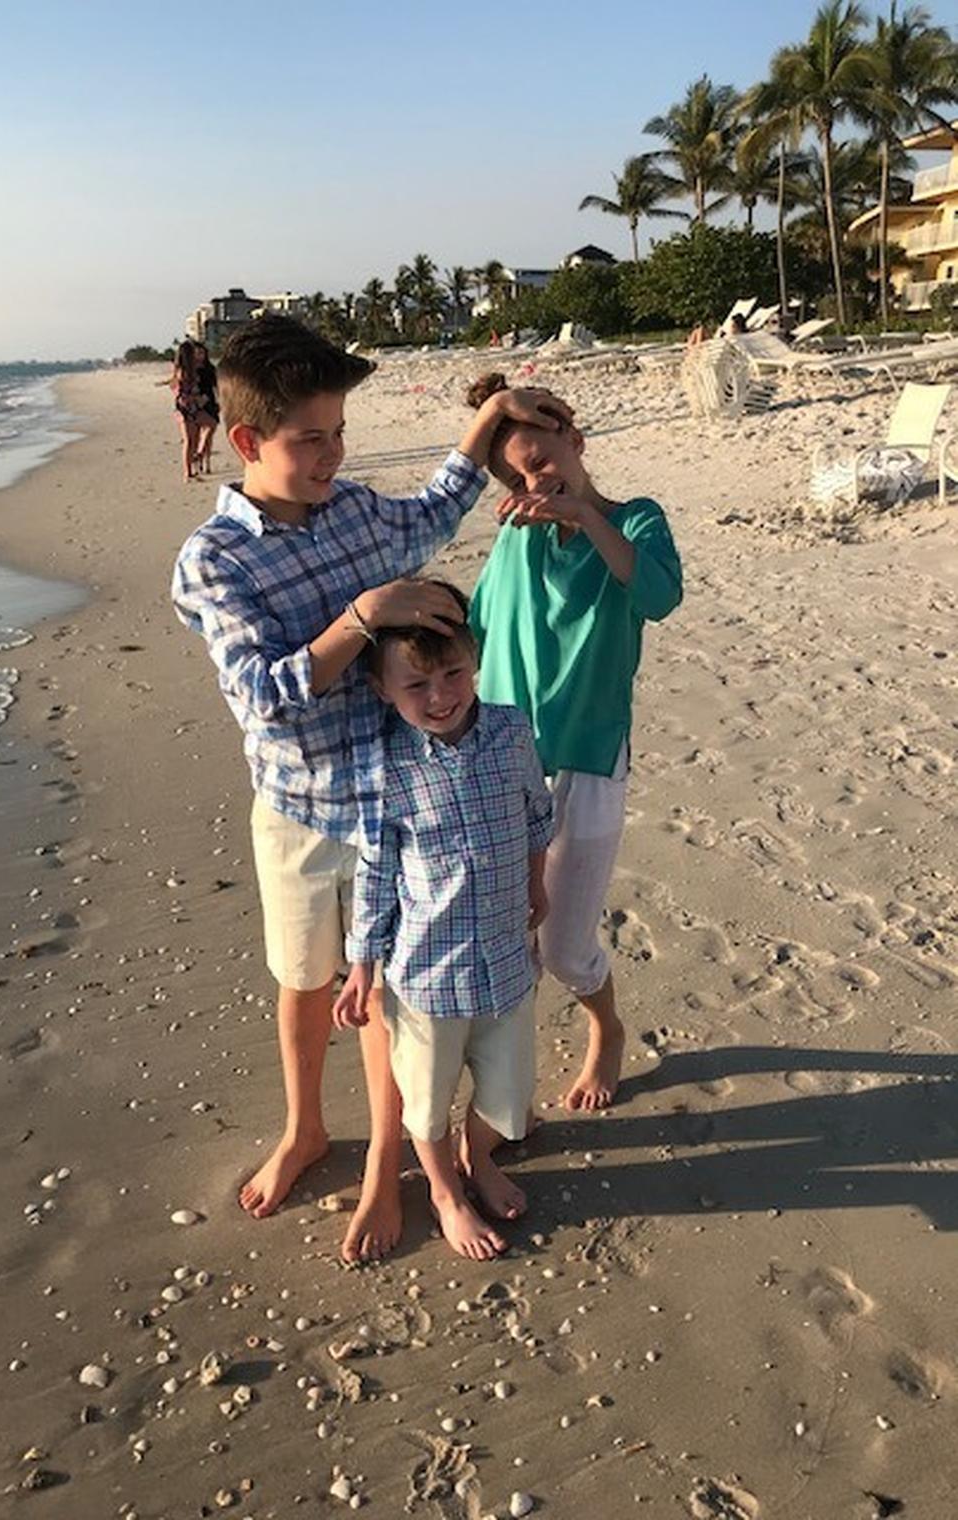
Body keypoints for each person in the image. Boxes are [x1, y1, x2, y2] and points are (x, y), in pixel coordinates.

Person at [171, 316, 567, 1263]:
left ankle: (391, 1158)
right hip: (302, 807)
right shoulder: (214, 559)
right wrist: (361, 617)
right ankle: (306, 1128)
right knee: (305, 981)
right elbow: (263, 697)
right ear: (246, 440)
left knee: (392, 992)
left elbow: (432, 513)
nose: (333, 455)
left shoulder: (354, 510)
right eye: (311, 439)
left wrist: (488, 424)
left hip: (405, 804)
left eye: (339, 432)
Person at [466, 372, 682, 1113]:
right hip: (505, 759)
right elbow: (476, 630)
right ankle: (503, 1093)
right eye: (519, 478)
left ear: (577, 441)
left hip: (589, 756)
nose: (536, 483)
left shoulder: (636, 520)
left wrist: (585, 517)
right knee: (511, 941)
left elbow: (657, 595)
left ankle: (606, 1028)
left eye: (543, 462)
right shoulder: (514, 538)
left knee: (564, 947)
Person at [333, 585, 553, 1261]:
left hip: (506, 959)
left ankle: (476, 1153)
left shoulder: (511, 731)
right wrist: (362, 965)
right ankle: (444, 1191)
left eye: (454, 672)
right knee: (423, 1104)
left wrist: (537, 882)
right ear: (382, 689)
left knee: (510, 1101)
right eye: (417, 685)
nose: (440, 696)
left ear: (474, 659)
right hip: (426, 974)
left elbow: (537, 813)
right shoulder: (387, 765)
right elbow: (375, 871)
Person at [171, 338, 219, 480]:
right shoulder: (184, 372)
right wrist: (197, 399)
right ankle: (188, 472)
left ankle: (194, 464)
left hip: (193, 408)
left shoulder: (191, 369)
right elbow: (181, 393)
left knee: (202, 431)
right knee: (189, 440)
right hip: (187, 409)